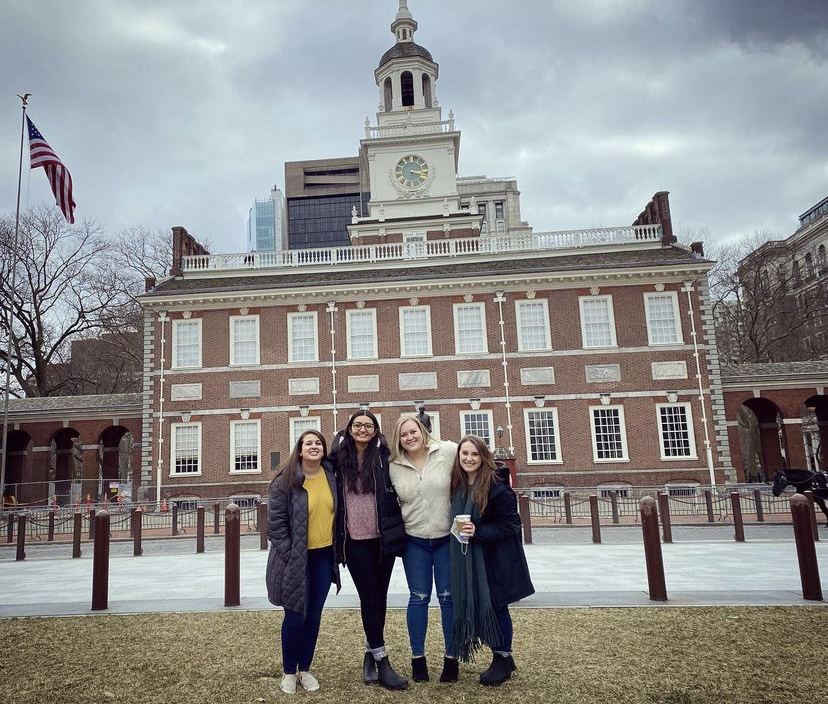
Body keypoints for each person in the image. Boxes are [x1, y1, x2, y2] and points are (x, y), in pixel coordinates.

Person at [329, 410, 408, 690]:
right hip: (354, 541)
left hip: (382, 538)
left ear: (375, 430)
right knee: (369, 597)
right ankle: (382, 660)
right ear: (349, 429)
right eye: (358, 425)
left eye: (368, 426)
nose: (363, 429)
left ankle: (369, 653)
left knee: (380, 597)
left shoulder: (385, 458)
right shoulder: (337, 460)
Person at [449, 434, 534, 686]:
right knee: (493, 607)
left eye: (474, 454)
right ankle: (503, 656)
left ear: (483, 456)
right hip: (474, 559)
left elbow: (511, 525)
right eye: (464, 454)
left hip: (497, 559)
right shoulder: (459, 485)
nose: (469, 458)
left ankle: (502, 657)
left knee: (498, 607)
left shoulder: (496, 485)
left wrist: (478, 531)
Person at [265, 430, 341, 695]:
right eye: (308, 442)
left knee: (314, 616)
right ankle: (288, 671)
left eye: (318, 442)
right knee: (295, 615)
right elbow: (275, 527)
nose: (314, 446)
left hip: (323, 557)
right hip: (296, 559)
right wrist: (291, 554)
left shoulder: (331, 476)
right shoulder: (285, 482)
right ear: (299, 449)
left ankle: (305, 669)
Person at [388, 414, 459, 683]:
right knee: (418, 597)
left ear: (422, 431)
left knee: (447, 597)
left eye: (413, 431)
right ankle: (418, 658)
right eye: (404, 434)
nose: (410, 437)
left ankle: (451, 659)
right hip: (413, 540)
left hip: (446, 539)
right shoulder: (392, 465)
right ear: (399, 439)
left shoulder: (447, 451)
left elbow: (476, 460)